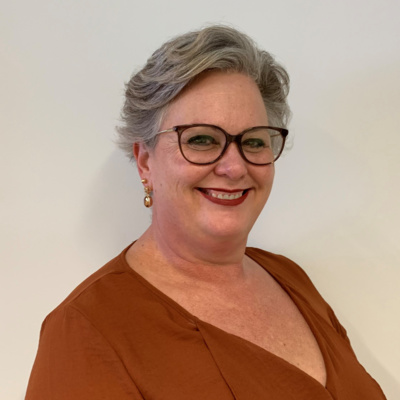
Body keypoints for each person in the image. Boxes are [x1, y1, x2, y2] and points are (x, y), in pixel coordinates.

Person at [25, 25, 386, 400]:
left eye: (254, 141)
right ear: (145, 160)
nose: (234, 167)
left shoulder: (291, 279)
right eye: (201, 139)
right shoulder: (85, 330)